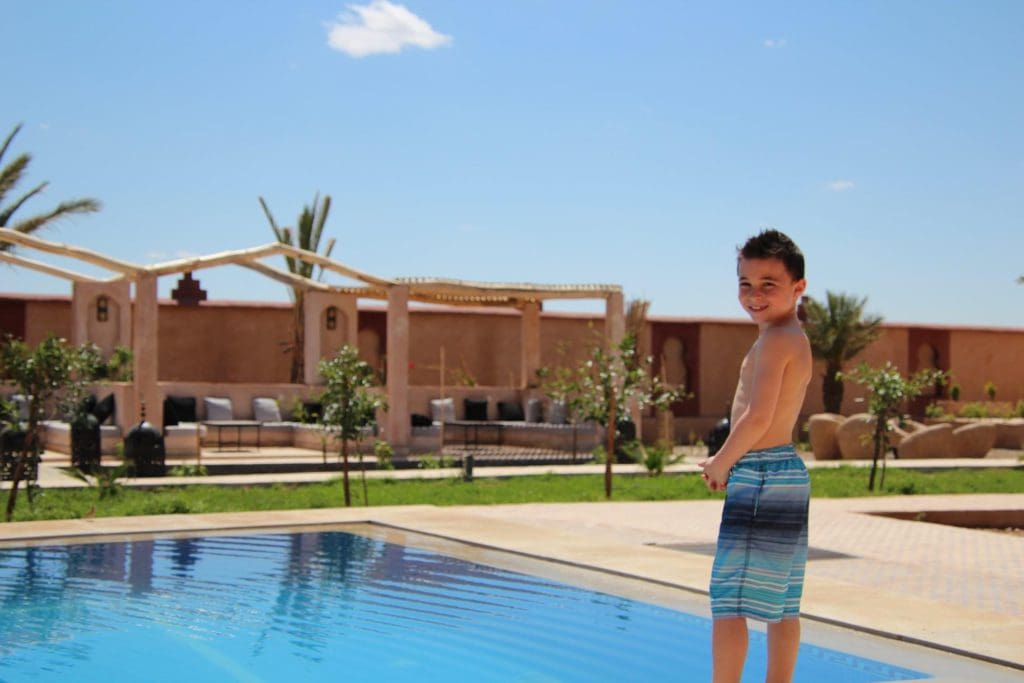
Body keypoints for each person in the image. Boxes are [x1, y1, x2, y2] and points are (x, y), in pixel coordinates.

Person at [699, 229, 812, 683]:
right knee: (783, 603)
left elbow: (758, 416)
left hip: (761, 473)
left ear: (798, 288)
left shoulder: (777, 341)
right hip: (786, 471)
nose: (755, 294)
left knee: (729, 602)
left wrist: (721, 461)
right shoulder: (791, 337)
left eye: (769, 284)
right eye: (746, 283)